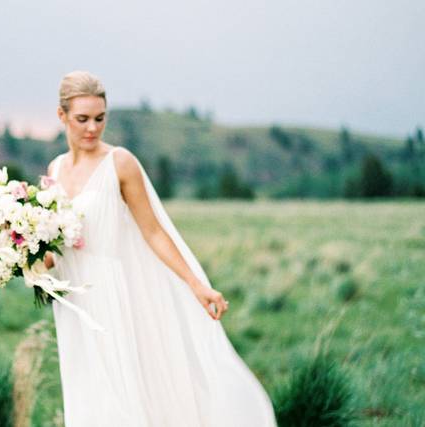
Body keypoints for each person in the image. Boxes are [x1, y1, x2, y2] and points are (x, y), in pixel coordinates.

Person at [43, 70, 277, 427]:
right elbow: (52, 249)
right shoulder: (55, 169)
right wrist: (24, 259)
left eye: (100, 118)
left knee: (121, 395)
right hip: (74, 300)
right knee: (86, 390)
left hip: (111, 296)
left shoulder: (120, 163)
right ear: (62, 117)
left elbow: (153, 232)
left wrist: (196, 284)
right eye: (82, 119)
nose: (92, 128)